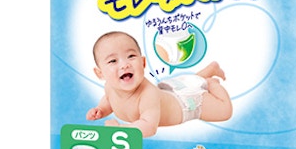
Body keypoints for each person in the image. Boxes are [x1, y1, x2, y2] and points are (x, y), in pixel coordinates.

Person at [86, 31, 232, 138]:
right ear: (100, 73)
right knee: (191, 81)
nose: (125, 65)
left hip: (187, 103)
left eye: (131, 56)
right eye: (113, 61)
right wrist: (101, 109)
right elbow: (109, 99)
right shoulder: (110, 87)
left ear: (143, 63)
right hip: (172, 90)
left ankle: (211, 83)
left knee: (224, 111)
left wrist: (121, 130)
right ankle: (209, 70)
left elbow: (149, 126)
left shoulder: (147, 94)